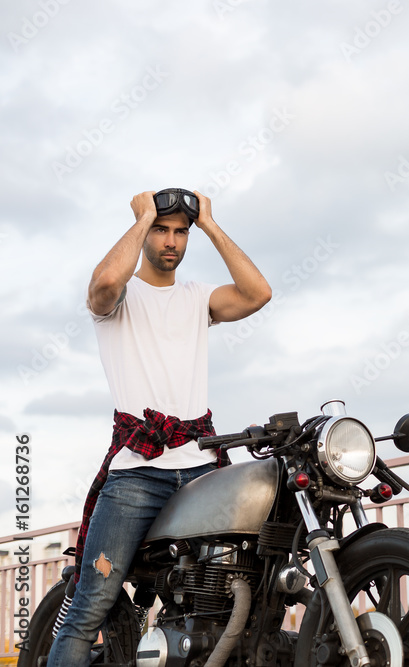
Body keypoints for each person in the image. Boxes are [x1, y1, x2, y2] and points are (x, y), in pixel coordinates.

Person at [47, 190, 271, 667]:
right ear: (145, 230)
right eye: (161, 229)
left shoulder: (196, 299)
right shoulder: (118, 299)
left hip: (202, 470)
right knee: (93, 602)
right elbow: (105, 281)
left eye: (179, 231)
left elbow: (258, 294)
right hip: (137, 475)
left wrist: (209, 223)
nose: (171, 241)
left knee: (237, 592)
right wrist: (143, 214)